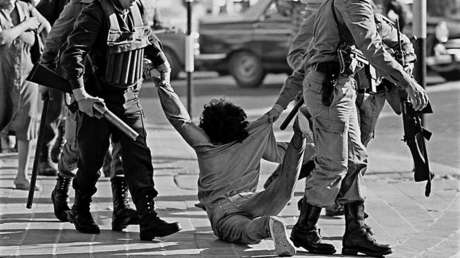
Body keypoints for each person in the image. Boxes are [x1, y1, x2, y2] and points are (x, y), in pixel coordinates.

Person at [271, 0, 428, 256]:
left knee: (355, 158)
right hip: (330, 88)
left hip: (342, 86)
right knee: (334, 165)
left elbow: (395, 43)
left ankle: (356, 230)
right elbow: (371, 47)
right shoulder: (352, 2)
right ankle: (304, 228)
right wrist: (408, 82)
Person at [59, 0, 179, 240]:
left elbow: (146, 36)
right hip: (99, 102)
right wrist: (81, 95)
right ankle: (81, 209)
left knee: (139, 157)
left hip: (128, 98)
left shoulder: (135, 8)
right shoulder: (94, 12)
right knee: (91, 160)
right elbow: (73, 53)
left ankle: (148, 218)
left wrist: (161, 61)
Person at [156, 78, 316, 256]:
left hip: (222, 209)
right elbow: (284, 156)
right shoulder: (252, 138)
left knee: (242, 230)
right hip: (253, 201)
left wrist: (163, 84)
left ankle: (268, 225)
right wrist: (311, 145)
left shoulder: (206, 146)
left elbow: (180, 120)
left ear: (207, 128)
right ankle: (299, 133)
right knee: (284, 190)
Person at [39, 0, 141, 232]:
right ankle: (62, 188)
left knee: (121, 146)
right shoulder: (80, 4)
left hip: (118, 87)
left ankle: (121, 206)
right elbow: (56, 37)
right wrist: (45, 73)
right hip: (83, 87)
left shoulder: (130, 4)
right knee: (77, 146)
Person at [0, 0, 50, 190]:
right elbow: (2, 37)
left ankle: (22, 175)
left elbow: (46, 26)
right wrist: (26, 26)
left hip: (27, 74)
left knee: (28, 123)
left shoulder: (25, 7)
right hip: (2, 76)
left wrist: (46, 48)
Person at [34, 0, 70, 176]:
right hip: (58, 62)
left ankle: (60, 148)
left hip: (85, 60)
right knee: (54, 110)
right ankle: (44, 156)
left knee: (78, 111)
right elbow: (38, 18)